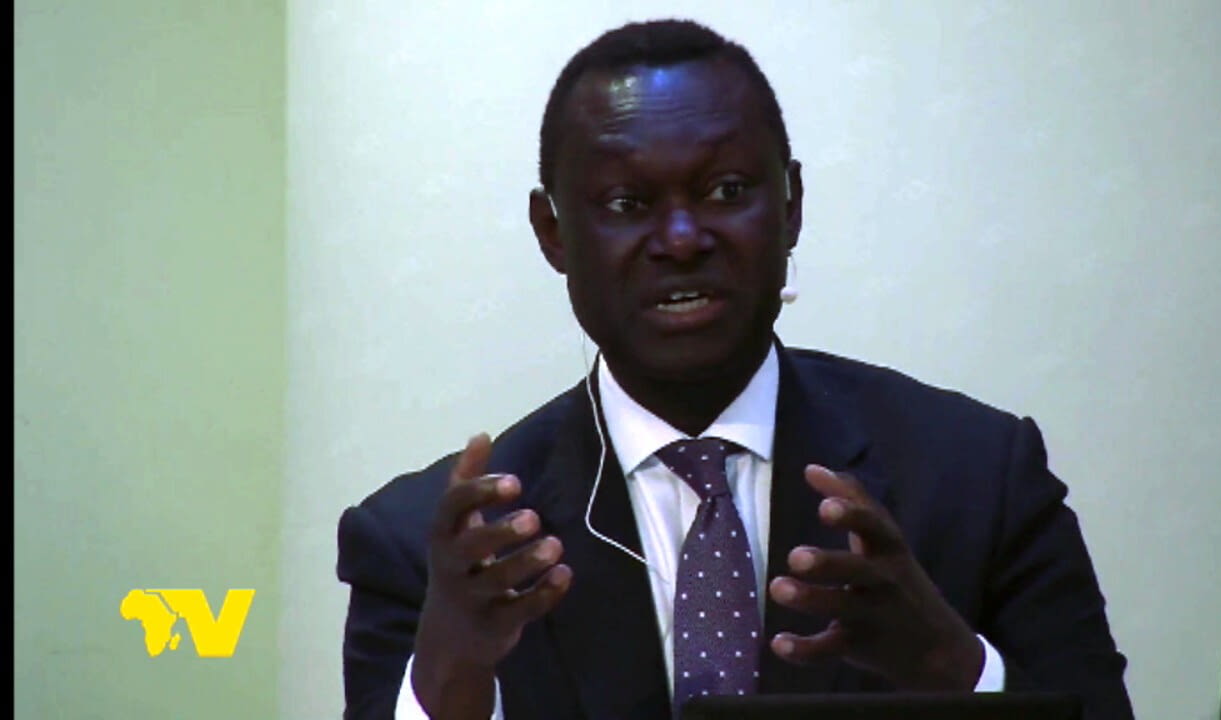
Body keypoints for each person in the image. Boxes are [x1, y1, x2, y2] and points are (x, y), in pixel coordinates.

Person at [336, 18, 1133, 720]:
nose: (683, 239)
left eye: (726, 189)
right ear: (552, 233)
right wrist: (450, 677)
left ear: (791, 206)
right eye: (626, 203)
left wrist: (951, 665)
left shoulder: (980, 481)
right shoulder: (429, 550)